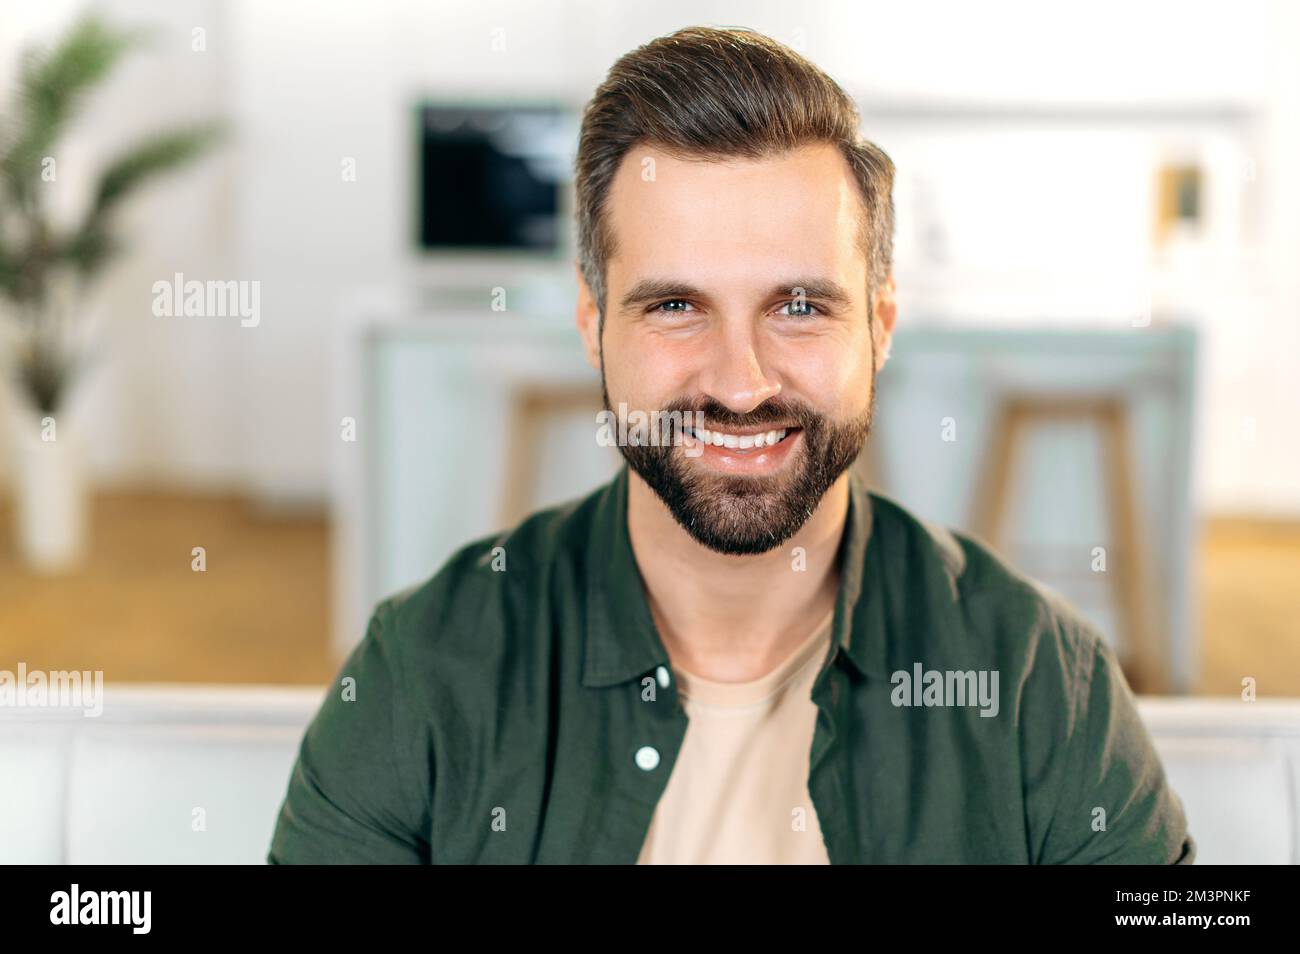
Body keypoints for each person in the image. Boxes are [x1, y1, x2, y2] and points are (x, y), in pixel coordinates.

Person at [269, 25, 1194, 864]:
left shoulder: (1041, 684)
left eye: (799, 307)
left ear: (879, 328)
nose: (741, 384)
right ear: (594, 328)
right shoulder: (421, 674)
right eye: (676, 306)